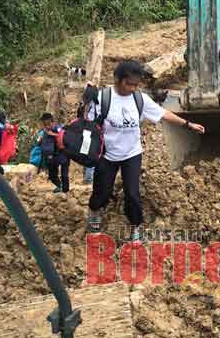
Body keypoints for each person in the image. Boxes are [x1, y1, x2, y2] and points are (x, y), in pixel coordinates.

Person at [86, 60, 205, 239]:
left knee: (132, 194)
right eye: (129, 84)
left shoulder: (139, 99)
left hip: (132, 154)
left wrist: (188, 124)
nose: (133, 88)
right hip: (107, 155)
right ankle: (94, 214)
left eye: (136, 84)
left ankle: (136, 227)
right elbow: (88, 126)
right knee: (101, 194)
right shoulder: (103, 98)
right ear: (118, 79)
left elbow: (163, 114)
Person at [39, 113, 69, 193]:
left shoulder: (59, 128)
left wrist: (52, 134)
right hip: (50, 156)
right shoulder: (45, 131)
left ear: (53, 122)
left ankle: (65, 190)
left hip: (62, 154)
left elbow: (64, 136)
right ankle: (59, 186)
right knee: (52, 175)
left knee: (64, 174)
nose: (47, 126)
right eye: (45, 124)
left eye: (48, 124)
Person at [78, 84, 99, 185]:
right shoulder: (95, 105)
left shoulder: (84, 104)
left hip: (85, 131)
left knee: (85, 155)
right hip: (93, 131)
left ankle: (86, 178)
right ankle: (89, 179)